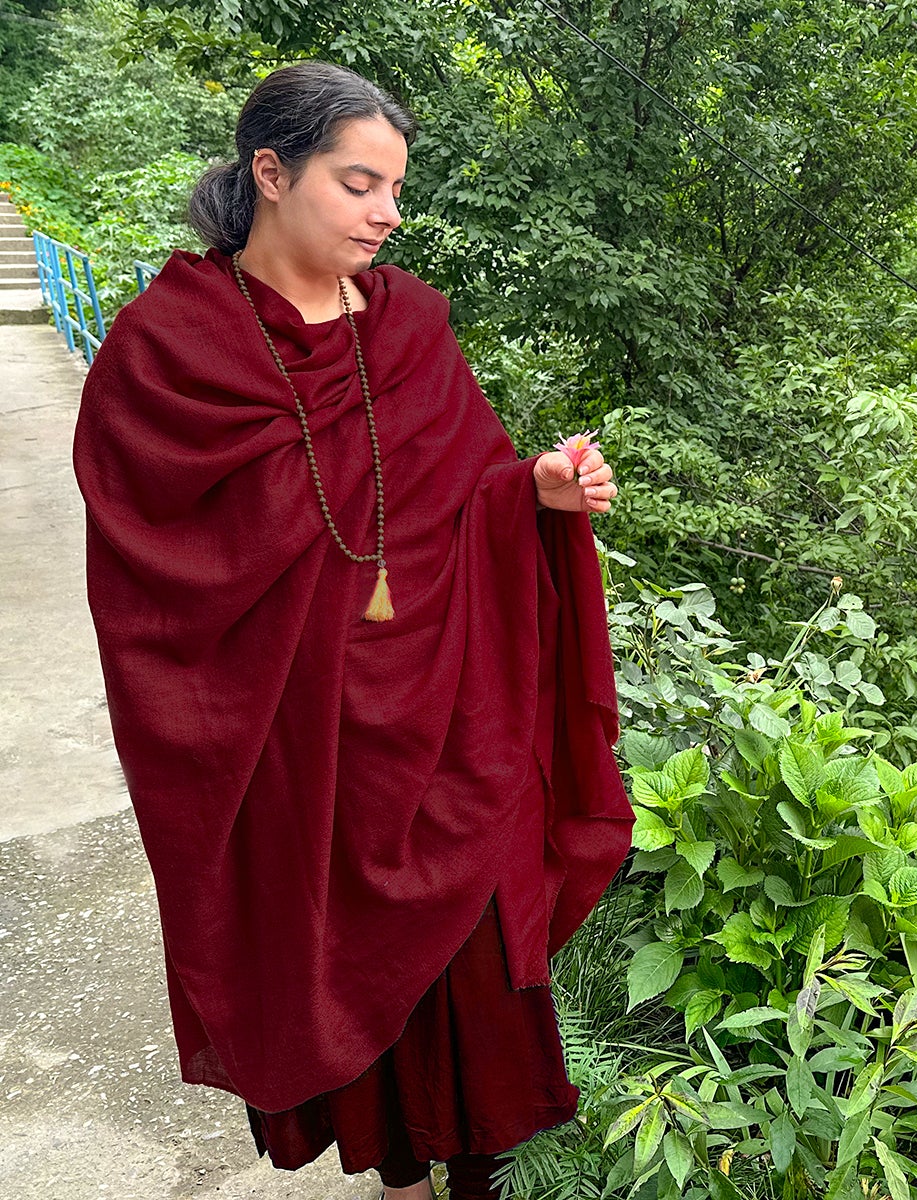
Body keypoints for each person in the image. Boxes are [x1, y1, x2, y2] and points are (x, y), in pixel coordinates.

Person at [70, 60, 636, 1199]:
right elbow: (154, 580)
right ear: (270, 173)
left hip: (442, 719)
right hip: (299, 746)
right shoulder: (167, 349)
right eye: (359, 183)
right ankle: (399, 1183)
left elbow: (469, 486)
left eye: (394, 189)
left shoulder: (413, 323)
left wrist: (537, 490)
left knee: (472, 980)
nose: (386, 213)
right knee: (340, 974)